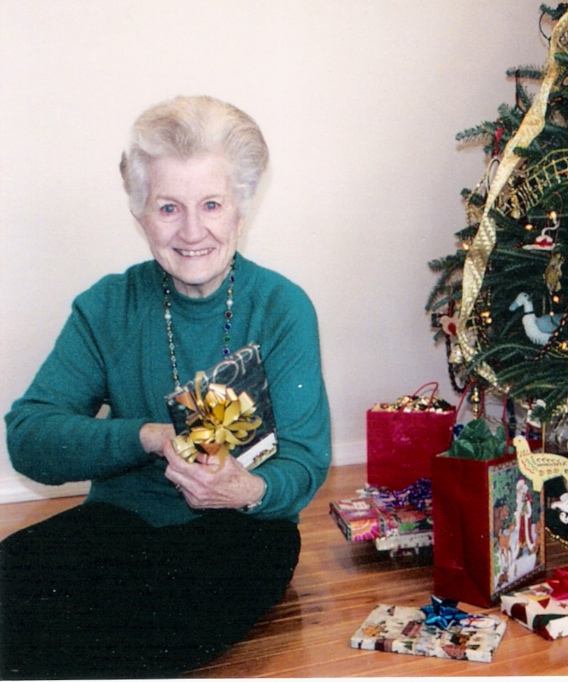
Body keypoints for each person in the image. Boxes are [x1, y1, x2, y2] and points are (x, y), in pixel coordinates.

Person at [1, 95, 331, 679]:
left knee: (127, 642)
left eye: (211, 204)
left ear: (240, 209)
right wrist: (147, 437)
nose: (193, 230)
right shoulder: (108, 304)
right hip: (120, 523)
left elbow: (306, 460)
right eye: (168, 207)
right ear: (140, 214)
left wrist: (247, 489)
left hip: (239, 533)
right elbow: (29, 437)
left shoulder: (281, 307)